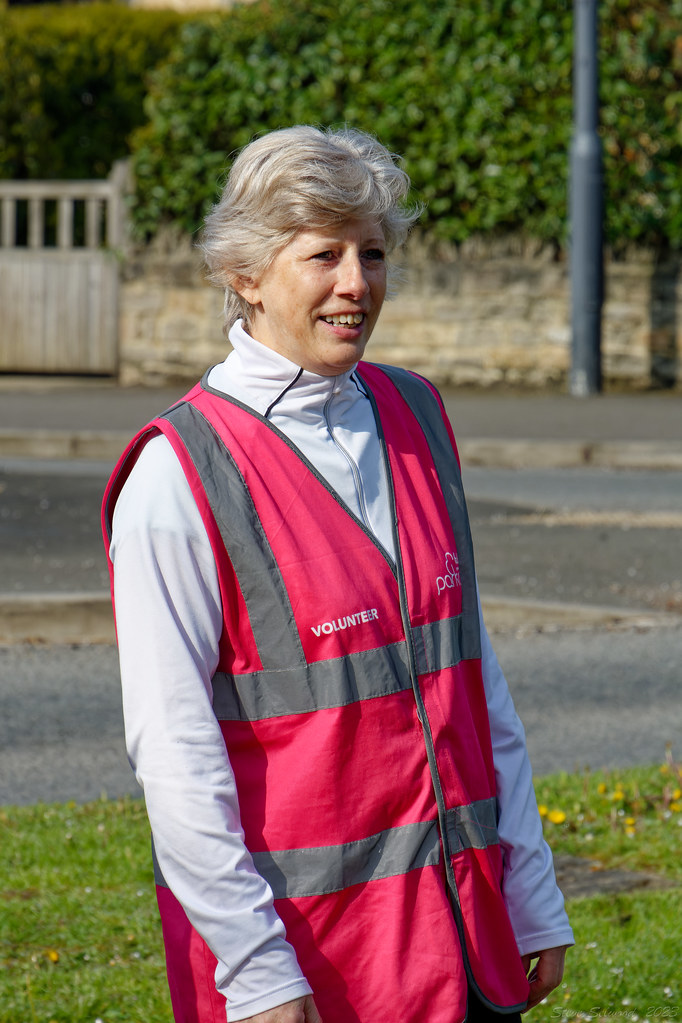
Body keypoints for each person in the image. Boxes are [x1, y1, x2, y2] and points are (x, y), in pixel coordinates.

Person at [102, 125, 573, 1023]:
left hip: (466, 949)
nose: (356, 284)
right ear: (243, 274)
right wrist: (258, 969)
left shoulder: (417, 414)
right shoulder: (179, 473)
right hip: (311, 969)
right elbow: (174, 754)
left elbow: (473, 681)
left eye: (374, 253)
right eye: (323, 254)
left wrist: (531, 885)